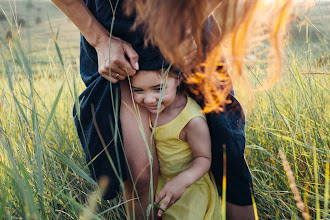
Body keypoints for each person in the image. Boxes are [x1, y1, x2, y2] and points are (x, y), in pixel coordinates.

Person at [50, 0, 295, 219]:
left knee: (226, 152)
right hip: (112, 39)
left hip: (185, 28)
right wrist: (100, 39)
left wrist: (192, 23)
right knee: (140, 175)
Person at [130, 69, 221, 219]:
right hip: (162, 183)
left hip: (189, 188)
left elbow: (204, 158)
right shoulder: (143, 110)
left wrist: (183, 180)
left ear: (178, 78)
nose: (149, 99)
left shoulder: (191, 120)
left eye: (158, 89)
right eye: (138, 90)